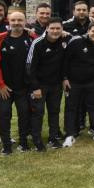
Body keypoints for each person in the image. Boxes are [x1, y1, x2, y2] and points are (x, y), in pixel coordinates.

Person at [62, 21, 94, 146]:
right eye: (93, 31)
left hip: (92, 82)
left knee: (93, 106)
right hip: (73, 82)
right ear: (88, 31)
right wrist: (65, 77)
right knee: (71, 107)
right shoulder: (76, 41)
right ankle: (70, 134)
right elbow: (65, 60)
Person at [0, 9, 34, 154]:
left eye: (20, 20)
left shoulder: (31, 37)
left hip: (23, 87)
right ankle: (6, 145)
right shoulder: (0, 38)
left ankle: (23, 142)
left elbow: (46, 38)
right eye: (13, 21)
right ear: (8, 22)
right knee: (4, 114)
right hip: (5, 87)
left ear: (25, 22)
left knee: (24, 114)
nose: (16, 23)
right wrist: (1, 84)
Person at [27, 18, 69, 148]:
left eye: (58, 28)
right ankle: (37, 139)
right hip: (39, 85)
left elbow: (63, 64)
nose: (55, 31)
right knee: (38, 112)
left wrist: (64, 78)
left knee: (54, 111)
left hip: (55, 85)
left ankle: (53, 137)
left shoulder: (63, 41)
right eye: (52, 28)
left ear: (62, 29)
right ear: (47, 29)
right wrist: (35, 87)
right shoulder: (38, 43)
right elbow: (30, 67)